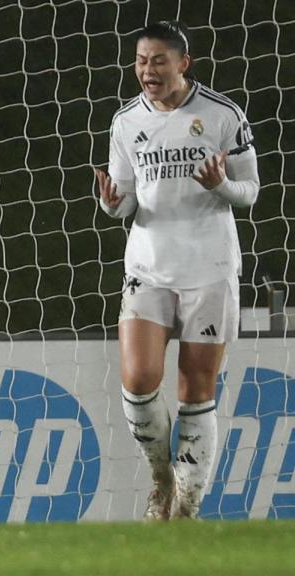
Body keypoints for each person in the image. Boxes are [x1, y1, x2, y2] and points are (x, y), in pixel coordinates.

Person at [94, 21, 259, 520]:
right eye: (142, 61)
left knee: (195, 387)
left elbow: (249, 191)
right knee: (140, 378)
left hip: (209, 268)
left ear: (183, 64)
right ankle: (161, 477)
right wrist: (110, 205)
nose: (149, 70)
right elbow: (124, 201)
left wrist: (221, 186)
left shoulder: (223, 114)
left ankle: (186, 506)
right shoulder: (125, 122)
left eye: (159, 60)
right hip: (148, 265)